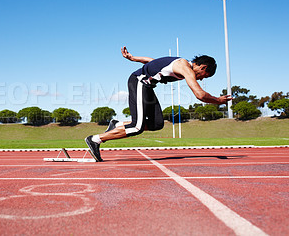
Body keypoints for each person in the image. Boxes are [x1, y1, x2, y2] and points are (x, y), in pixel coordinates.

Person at [85, 46, 232, 162]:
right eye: (203, 76)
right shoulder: (185, 68)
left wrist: (134, 58)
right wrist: (218, 100)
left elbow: (153, 61)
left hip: (147, 86)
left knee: (157, 123)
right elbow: (200, 95)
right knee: (137, 127)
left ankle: (117, 124)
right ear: (203, 67)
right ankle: (95, 139)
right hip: (139, 81)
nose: (200, 79)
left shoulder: (180, 64)